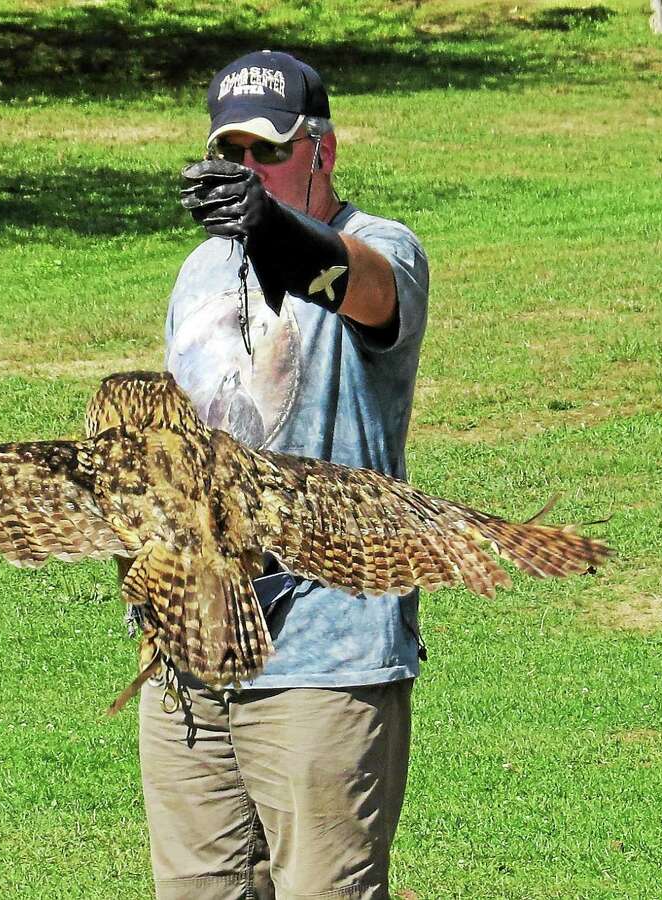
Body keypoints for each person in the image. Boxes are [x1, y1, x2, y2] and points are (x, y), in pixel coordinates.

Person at [139, 50, 430, 899]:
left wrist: (271, 228)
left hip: (325, 657)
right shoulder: (197, 272)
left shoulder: (387, 250)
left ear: (322, 151)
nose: (247, 171)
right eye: (231, 153)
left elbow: (361, 289)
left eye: (268, 152)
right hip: (192, 651)